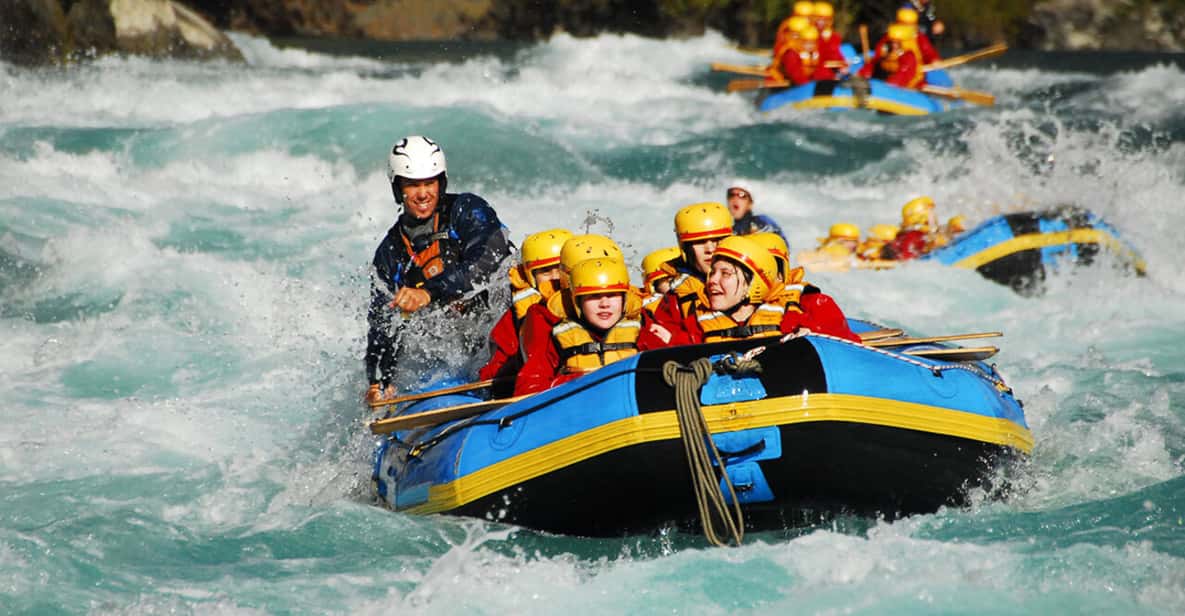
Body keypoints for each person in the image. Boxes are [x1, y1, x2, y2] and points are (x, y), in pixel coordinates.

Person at [365, 136, 512, 403]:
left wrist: (429, 293)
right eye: (412, 185)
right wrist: (378, 381)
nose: (423, 194)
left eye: (429, 182)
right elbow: (381, 326)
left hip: (503, 327)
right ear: (398, 189)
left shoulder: (467, 210)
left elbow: (489, 259)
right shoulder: (390, 254)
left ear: (441, 183)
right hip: (455, 351)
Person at [655, 236, 859, 344]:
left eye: (725, 274)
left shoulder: (794, 317)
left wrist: (814, 337)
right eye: (712, 273)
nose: (712, 281)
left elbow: (846, 348)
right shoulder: (695, 322)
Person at [514, 258, 670, 396]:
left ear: (624, 299)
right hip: (581, 413)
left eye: (613, 295)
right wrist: (571, 382)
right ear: (577, 302)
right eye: (593, 296)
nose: (604, 304)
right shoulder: (559, 336)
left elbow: (673, 370)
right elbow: (528, 386)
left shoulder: (641, 331)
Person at [477, 228, 572, 394]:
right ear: (530, 278)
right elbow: (493, 370)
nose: (555, 277)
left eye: (560, 269)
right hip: (537, 386)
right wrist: (517, 363)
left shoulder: (600, 303)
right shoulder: (517, 317)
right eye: (545, 271)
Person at [652, 202, 734, 324]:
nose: (710, 249)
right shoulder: (669, 288)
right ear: (685, 248)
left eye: (718, 240)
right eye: (700, 241)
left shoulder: (751, 278)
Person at [858, 24, 925, 90]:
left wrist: (888, 86)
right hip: (884, 83)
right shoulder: (886, 51)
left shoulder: (908, 56)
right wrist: (862, 75)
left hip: (906, 88)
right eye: (892, 42)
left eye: (897, 43)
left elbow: (903, 75)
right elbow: (873, 64)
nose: (893, 45)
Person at [883, 196, 937, 260]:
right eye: (930, 213)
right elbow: (908, 259)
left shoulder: (921, 234)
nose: (934, 216)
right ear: (920, 217)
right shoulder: (915, 235)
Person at [812, 2, 849, 75]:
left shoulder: (833, 37)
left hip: (828, 71)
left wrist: (842, 64)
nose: (821, 22)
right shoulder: (809, 36)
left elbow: (836, 54)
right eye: (818, 18)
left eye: (825, 19)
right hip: (816, 71)